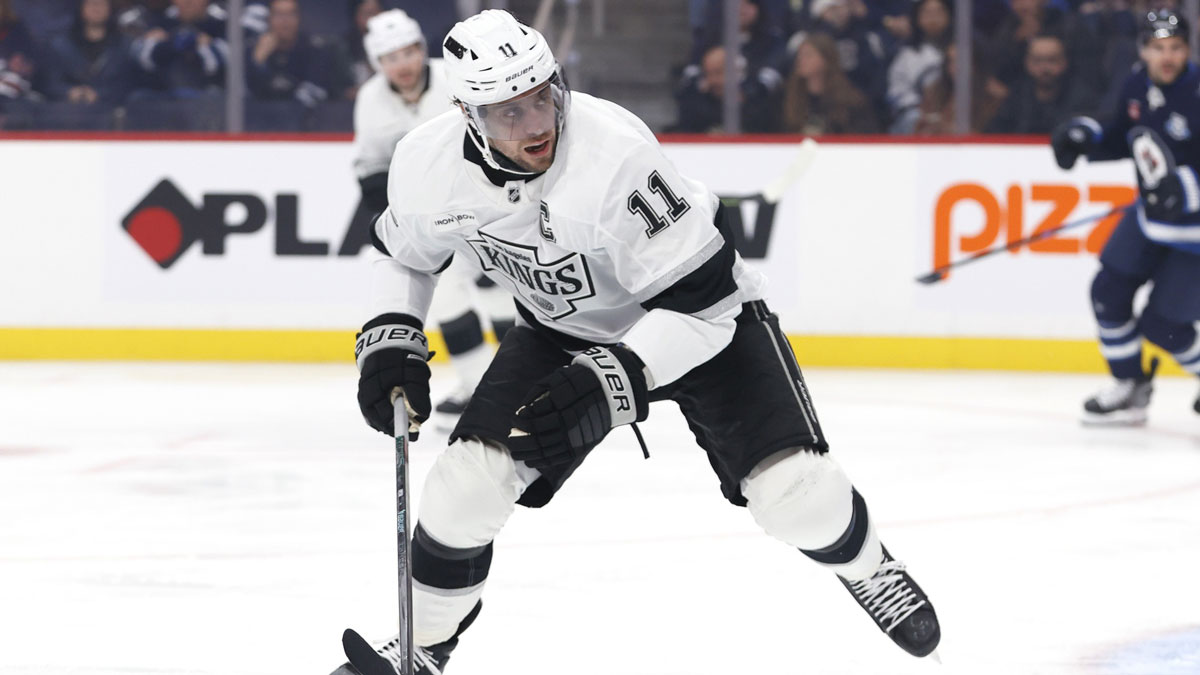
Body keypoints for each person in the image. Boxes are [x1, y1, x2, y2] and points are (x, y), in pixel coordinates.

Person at [334, 10, 942, 675]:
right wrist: (390, 334)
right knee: (464, 487)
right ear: (467, 112)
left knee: (797, 496)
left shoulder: (614, 153)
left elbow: (704, 305)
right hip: (562, 328)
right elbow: (406, 257)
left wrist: (614, 377)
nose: (536, 123)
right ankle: (422, 643)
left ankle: (868, 566)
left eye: (542, 95)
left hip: (699, 320)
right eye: (508, 111)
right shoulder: (427, 162)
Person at [351, 8, 512, 421]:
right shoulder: (371, 100)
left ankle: (513, 380)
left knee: (502, 291)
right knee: (450, 296)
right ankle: (479, 385)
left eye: (408, 52)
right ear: (377, 63)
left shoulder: (453, 80)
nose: (402, 64)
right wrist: (400, 216)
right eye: (390, 58)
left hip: (485, 207)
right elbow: (369, 167)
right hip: (431, 219)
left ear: (422, 49)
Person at [1052, 7, 1200, 424]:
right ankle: (1130, 387)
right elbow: (1126, 135)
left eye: (1175, 48)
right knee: (1107, 293)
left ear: (1188, 49)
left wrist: (1188, 187)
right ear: (1143, 50)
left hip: (1195, 236)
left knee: (1162, 325)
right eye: (1157, 48)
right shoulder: (1136, 82)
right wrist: (1087, 137)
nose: (1166, 57)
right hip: (1150, 220)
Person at [986, 32, 1096, 134]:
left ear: (1065, 62)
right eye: (1037, 60)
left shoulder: (1083, 100)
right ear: (1027, 63)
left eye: (1052, 60)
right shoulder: (1016, 98)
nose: (1044, 68)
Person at [246, 0, 347, 109]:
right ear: (269, 19)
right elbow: (247, 99)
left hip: (303, 121)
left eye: (291, 14)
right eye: (279, 14)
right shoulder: (253, 52)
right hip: (257, 122)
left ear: (299, 18)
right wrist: (257, 63)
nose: (285, 21)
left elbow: (314, 96)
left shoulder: (314, 51)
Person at [672, 43, 783, 133]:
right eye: (708, 74)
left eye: (719, 72)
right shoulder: (695, 103)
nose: (713, 80)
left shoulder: (759, 101)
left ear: (737, 73)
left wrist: (743, 104)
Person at [782, 32, 879, 134]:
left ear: (826, 60)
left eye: (808, 55)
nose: (800, 60)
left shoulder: (851, 102)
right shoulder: (786, 97)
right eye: (799, 55)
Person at [43, 0, 136, 107]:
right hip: (69, 113)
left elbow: (127, 83)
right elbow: (50, 83)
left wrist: (100, 94)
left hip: (113, 111)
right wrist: (69, 92)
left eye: (102, 3)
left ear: (110, 8)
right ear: (81, 8)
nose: (96, 7)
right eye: (91, 3)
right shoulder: (61, 46)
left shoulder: (124, 45)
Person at [886, 0, 952, 134]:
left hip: (952, 112)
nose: (933, 18)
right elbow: (896, 94)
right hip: (916, 113)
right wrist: (922, 109)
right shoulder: (906, 54)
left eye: (939, 11)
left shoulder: (962, 49)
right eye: (927, 12)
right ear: (917, 17)